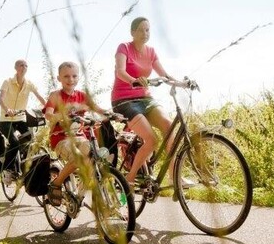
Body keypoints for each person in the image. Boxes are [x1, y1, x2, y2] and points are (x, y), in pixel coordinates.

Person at [111, 16, 178, 186]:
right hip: (124, 101)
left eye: (147, 30)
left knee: (169, 126)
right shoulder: (124, 47)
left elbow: (164, 75)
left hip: (146, 99)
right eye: (140, 30)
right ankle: (130, 177)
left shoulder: (151, 51)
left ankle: (173, 175)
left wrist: (182, 83)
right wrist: (133, 80)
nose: (144, 33)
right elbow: (120, 71)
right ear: (133, 32)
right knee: (152, 140)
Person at [43, 62, 108, 206]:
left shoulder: (82, 95)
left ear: (78, 78)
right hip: (60, 139)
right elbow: (48, 115)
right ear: (59, 78)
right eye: (66, 76)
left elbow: (96, 108)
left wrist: (111, 113)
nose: (70, 79)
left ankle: (79, 193)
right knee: (79, 158)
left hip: (80, 137)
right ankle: (56, 183)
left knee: (93, 156)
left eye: (74, 76)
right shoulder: (55, 96)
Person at [0, 59, 47, 183]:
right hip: (6, 120)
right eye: (21, 65)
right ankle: (8, 170)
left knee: (30, 140)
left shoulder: (29, 84)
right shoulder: (7, 82)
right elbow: (1, 99)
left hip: (21, 119)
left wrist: (49, 109)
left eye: (26, 65)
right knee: (14, 143)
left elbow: (40, 97)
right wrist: (7, 109)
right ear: (16, 68)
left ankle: (25, 165)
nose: (24, 67)